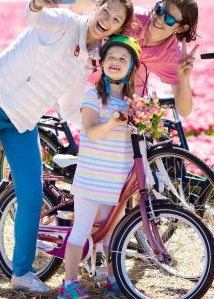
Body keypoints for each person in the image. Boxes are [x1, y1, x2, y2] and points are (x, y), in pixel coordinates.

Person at [0, 0, 134, 292]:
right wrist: (37, 1)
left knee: (32, 194)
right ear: (96, 7)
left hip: (22, 120)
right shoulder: (65, 21)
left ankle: (21, 273)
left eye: (115, 20)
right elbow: (33, 15)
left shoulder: (89, 61)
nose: (107, 20)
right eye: (105, 11)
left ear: (116, 29)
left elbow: (69, 108)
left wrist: (109, 121)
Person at [58, 35, 140, 299]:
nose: (116, 62)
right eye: (111, 58)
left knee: (114, 234)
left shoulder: (132, 102)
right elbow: (92, 132)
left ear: (131, 67)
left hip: (117, 181)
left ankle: (113, 280)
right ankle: (69, 284)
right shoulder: (93, 95)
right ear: (102, 63)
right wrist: (114, 121)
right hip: (92, 179)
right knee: (81, 230)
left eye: (123, 59)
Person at [72, 0, 199, 117]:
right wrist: (71, 41)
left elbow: (184, 111)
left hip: (130, 103)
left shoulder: (172, 55)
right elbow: (82, 1)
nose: (159, 18)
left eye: (169, 19)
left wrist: (184, 78)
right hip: (89, 83)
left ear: (181, 28)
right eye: (159, 9)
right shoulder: (134, 17)